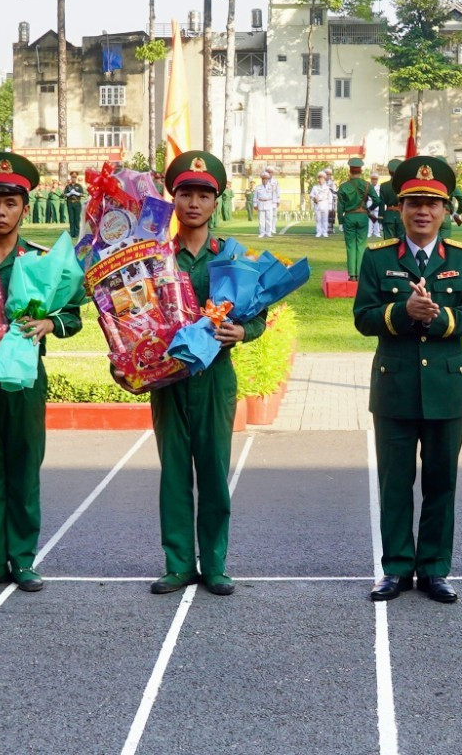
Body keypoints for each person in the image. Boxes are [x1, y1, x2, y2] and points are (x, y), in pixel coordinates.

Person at [355, 156, 462, 604]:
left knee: (441, 482)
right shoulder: (377, 259)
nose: (422, 211)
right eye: (413, 202)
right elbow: (364, 318)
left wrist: (439, 317)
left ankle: (434, 569)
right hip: (394, 387)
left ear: (446, 210)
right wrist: (401, 313)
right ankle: (395, 569)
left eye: (432, 203)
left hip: (446, 389)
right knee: (394, 483)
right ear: (399, 208)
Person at [0, 152, 86, 593]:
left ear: (24, 208)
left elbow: (73, 314)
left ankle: (24, 559)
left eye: (11, 202)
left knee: (24, 466)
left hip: (25, 380)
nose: (0, 211)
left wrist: (51, 323)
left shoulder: (40, 261)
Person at [149, 152, 265, 596]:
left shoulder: (232, 254)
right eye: (185, 194)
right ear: (173, 198)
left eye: (203, 195)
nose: (193, 203)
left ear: (216, 201)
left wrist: (243, 330)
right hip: (168, 377)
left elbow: (257, 314)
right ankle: (178, 563)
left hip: (216, 377)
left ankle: (214, 563)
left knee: (214, 471)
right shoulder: (156, 254)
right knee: (174, 471)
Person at [338, 158, 371, 277]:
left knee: (350, 245)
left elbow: (340, 206)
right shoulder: (367, 185)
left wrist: (340, 221)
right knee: (361, 245)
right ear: (361, 171)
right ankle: (360, 273)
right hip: (362, 217)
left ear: (350, 171)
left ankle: (352, 275)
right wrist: (369, 209)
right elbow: (377, 200)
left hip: (349, 217)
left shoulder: (343, 186)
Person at [252, 168, 280, 239]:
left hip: (269, 204)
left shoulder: (272, 187)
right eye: (263, 179)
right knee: (261, 219)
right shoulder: (258, 187)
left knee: (269, 219)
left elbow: (274, 195)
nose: (264, 180)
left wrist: (275, 203)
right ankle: (262, 232)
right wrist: (255, 205)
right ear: (261, 179)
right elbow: (255, 196)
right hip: (261, 204)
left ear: (268, 179)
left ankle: (268, 232)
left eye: (266, 179)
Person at [310, 169, 337, 238]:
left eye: (321, 178)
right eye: (319, 178)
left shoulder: (327, 188)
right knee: (318, 219)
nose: (320, 180)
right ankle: (319, 232)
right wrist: (314, 198)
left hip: (325, 204)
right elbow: (311, 195)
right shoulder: (315, 187)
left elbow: (330, 197)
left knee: (325, 219)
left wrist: (330, 207)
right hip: (318, 204)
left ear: (324, 179)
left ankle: (325, 232)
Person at [63, 171, 86, 241]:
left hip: (77, 203)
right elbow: (64, 194)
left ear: (76, 178)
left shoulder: (79, 186)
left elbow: (82, 194)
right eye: (72, 177)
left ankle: (77, 233)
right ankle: (72, 233)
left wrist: (76, 193)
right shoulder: (68, 186)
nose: (73, 178)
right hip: (70, 203)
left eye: (75, 177)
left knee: (77, 218)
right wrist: (69, 193)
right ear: (71, 177)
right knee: (71, 219)